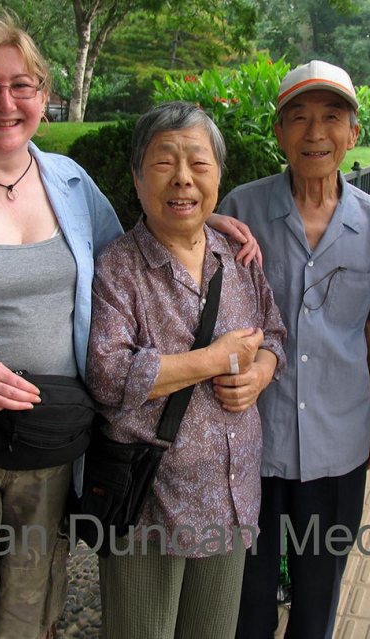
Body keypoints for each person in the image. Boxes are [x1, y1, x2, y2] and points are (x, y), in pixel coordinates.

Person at [0, 11, 259, 637]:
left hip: (51, 453)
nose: (5, 102)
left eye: (21, 85)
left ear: (43, 95)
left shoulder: (71, 184)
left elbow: (130, 255)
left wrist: (199, 220)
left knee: (31, 618)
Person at [85, 101, 287, 638]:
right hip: (152, 504)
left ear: (218, 177)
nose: (182, 179)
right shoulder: (119, 268)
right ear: (136, 177)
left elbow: (276, 335)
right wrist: (213, 360)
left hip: (230, 497)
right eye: (164, 163)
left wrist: (260, 372)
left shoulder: (236, 258)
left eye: (199, 164)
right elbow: (106, 375)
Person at [219, 60, 370, 638]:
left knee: (319, 591)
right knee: (247, 593)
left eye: (330, 118)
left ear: (353, 134)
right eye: (297, 118)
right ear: (278, 133)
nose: (314, 133)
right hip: (252, 438)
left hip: (339, 440)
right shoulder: (241, 211)